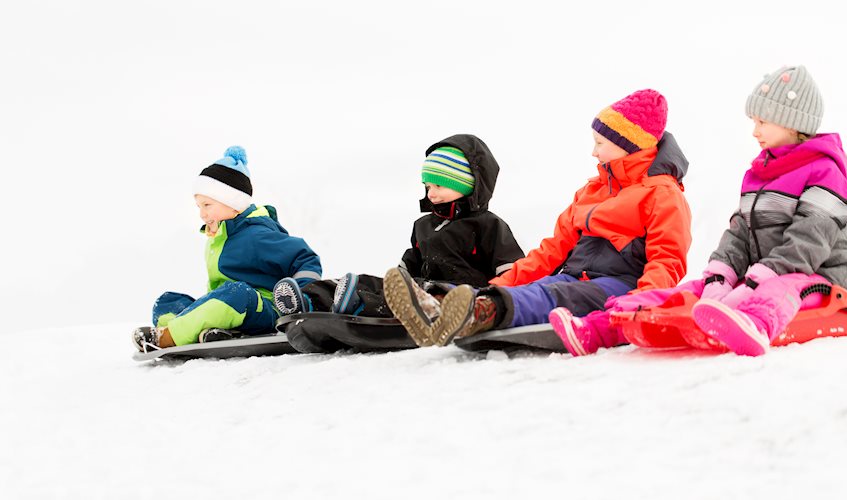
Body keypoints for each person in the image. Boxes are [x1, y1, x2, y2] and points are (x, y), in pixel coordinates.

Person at [551, 65, 847, 357]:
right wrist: (721, 274)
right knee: (695, 290)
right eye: (753, 121)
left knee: (782, 287)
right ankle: (602, 327)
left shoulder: (826, 171)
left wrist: (758, 280)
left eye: (763, 122)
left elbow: (808, 242)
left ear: (792, 123)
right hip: (763, 275)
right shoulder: (760, 174)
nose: (754, 131)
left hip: (820, 276)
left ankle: (755, 325)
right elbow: (740, 231)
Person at [388, 89, 692, 347]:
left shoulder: (661, 194)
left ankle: (478, 313)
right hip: (574, 278)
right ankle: (445, 307)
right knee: (545, 285)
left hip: (621, 286)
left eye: (600, 143)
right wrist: (497, 285)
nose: (593, 152)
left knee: (553, 293)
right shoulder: (592, 191)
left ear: (628, 145)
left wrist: (639, 304)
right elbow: (550, 252)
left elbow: (667, 260)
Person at [273, 134, 525, 347]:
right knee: (370, 284)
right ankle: (311, 297)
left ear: (468, 184)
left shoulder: (488, 225)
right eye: (427, 186)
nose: (431, 193)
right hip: (419, 287)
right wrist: (396, 281)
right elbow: (408, 265)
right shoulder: (424, 225)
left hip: (456, 295)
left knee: (378, 296)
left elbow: (512, 270)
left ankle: (355, 301)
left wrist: (493, 301)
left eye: (439, 185)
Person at [132, 146, 322, 351]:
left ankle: (168, 336)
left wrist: (300, 298)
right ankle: (207, 331)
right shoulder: (220, 237)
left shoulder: (257, 234)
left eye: (207, 205)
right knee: (167, 301)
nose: (202, 214)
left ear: (233, 203)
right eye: (199, 207)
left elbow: (305, 257)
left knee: (235, 293)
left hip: (262, 308)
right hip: (226, 305)